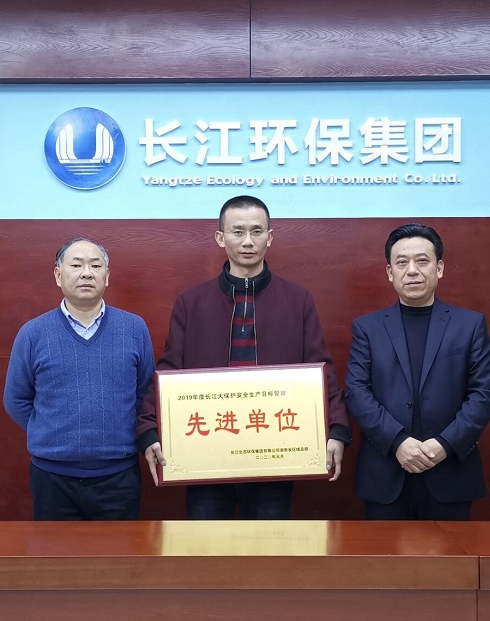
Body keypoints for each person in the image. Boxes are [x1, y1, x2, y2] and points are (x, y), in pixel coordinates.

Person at [137, 195, 351, 519]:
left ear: (270, 237)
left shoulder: (297, 300)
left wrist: (337, 429)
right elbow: (169, 372)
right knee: (205, 545)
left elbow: (321, 371)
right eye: (237, 232)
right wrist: (149, 429)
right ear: (220, 237)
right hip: (206, 454)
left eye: (257, 231)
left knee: (269, 548)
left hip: (274, 454)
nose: (248, 241)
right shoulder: (191, 302)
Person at [345, 223, 490, 520]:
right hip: (385, 473)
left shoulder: (469, 325)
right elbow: (356, 391)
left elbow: (483, 394)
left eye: (422, 261)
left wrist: (445, 445)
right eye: (402, 262)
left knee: (450, 553)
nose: (412, 270)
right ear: (390, 272)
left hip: (450, 472)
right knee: (383, 553)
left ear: (439, 268)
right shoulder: (367, 328)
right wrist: (397, 442)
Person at [4, 237, 154, 520]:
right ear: (58, 275)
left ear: (107, 276)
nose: (87, 273)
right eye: (76, 265)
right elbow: (16, 400)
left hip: (119, 476)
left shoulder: (134, 328)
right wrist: (51, 429)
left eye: (96, 266)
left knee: (119, 549)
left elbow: (145, 393)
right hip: (52, 477)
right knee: (56, 550)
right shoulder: (33, 333)